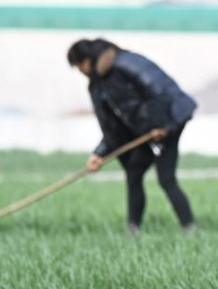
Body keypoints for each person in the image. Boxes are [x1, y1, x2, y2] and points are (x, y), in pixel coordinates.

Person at [67, 38, 197, 235]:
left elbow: (158, 91)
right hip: (147, 130)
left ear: (86, 59)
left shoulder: (126, 63)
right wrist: (99, 154)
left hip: (170, 121)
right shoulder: (98, 85)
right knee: (134, 172)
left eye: (79, 65)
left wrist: (160, 125)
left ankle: (190, 229)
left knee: (166, 178)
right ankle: (133, 230)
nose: (80, 71)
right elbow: (111, 126)